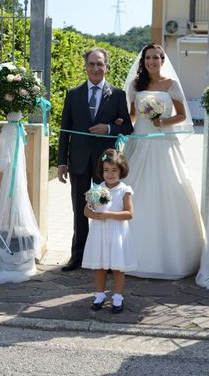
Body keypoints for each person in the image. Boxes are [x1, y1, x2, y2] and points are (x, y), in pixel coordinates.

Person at [122, 43, 205, 279]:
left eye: (156, 58)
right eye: (148, 58)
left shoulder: (171, 85)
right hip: (139, 142)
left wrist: (163, 122)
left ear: (162, 60)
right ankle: (127, 255)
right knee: (133, 193)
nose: (151, 62)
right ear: (143, 61)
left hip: (163, 143)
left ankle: (169, 259)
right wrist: (122, 128)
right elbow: (132, 115)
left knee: (167, 192)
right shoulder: (135, 86)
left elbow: (181, 115)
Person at [57, 48, 134, 271]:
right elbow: (64, 131)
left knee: (106, 210)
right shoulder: (73, 94)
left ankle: (108, 259)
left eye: (100, 64)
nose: (95, 68)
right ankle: (78, 256)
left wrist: (108, 128)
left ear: (106, 66)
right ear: (85, 66)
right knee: (80, 209)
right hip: (79, 161)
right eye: (91, 64)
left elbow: (127, 127)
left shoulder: (118, 95)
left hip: (106, 165)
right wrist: (62, 162)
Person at [82, 149, 136, 313]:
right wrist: (95, 215)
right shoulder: (97, 189)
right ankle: (99, 295)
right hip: (100, 232)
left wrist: (109, 214)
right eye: (106, 170)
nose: (110, 174)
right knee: (100, 266)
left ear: (121, 170)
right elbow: (86, 211)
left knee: (118, 267)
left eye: (114, 170)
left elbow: (129, 214)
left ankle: (118, 298)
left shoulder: (124, 191)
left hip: (117, 232)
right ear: (101, 171)